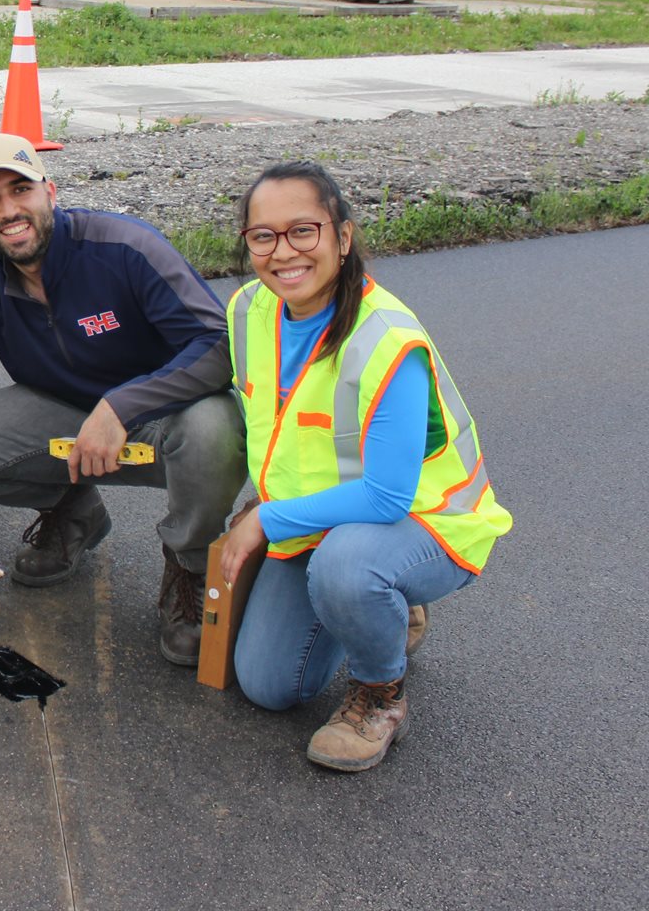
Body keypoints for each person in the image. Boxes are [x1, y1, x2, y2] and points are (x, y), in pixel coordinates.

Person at [0, 133, 245, 668]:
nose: (9, 210)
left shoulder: (124, 248)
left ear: (51, 192)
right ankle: (73, 510)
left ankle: (191, 565)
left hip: (167, 417)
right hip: (70, 418)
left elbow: (219, 345)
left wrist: (121, 407)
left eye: (21, 189)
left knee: (215, 430)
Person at [219, 161, 512, 772]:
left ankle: (380, 691)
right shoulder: (249, 308)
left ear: (343, 237)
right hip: (318, 520)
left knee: (348, 569)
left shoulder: (386, 340)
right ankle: (387, 608)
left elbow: (385, 498)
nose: (283, 253)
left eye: (304, 231)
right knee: (271, 687)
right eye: (263, 236)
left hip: (426, 520)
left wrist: (263, 518)